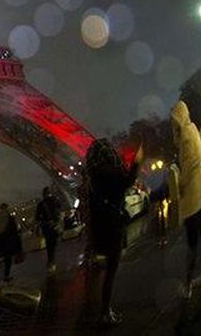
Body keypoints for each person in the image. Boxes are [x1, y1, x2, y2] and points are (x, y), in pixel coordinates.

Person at [84, 138, 143, 326]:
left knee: (100, 272)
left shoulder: (92, 179)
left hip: (98, 231)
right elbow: (128, 181)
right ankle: (105, 312)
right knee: (111, 272)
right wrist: (137, 161)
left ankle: (95, 309)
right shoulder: (112, 174)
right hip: (113, 227)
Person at [171, 100, 201, 299]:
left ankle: (188, 284)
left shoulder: (186, 136)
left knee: (192, 239)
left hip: (193, 193)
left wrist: (180, 183)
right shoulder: (193, 129)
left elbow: (189, 164)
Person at [0, 203, 23, 282]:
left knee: (3, 259)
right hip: (8, 242)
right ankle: (6, 276)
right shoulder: (10, 219)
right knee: (8, 260)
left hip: (0, 244)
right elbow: (15, 231)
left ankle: (0, 277)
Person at [35, 187, 62, 274]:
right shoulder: (55, 200)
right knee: (53, 244)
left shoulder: (41, 204)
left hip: (46, 227)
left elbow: (37, 217)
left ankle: (51, 262)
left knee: (49, 244)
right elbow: (59, 211)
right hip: (55, 225)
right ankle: (52, 261)